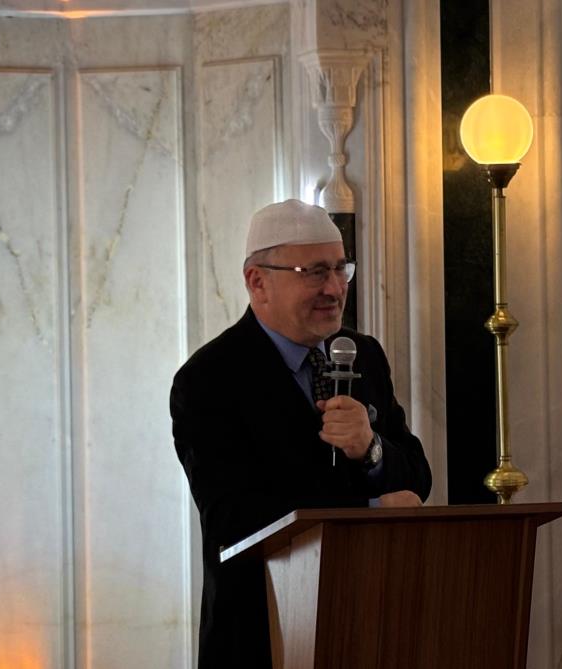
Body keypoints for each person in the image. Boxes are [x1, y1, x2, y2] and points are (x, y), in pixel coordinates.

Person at [170, 199, 432, 668]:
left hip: (374, 628)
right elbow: (235, 519)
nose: (334, 288)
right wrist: (369, 511)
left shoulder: (364, 355)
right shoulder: (209, 379)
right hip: (264, 637)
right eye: (314, 272)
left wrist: (370, 449)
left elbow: (417, 480)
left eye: (340, 268)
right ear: (258, 281)